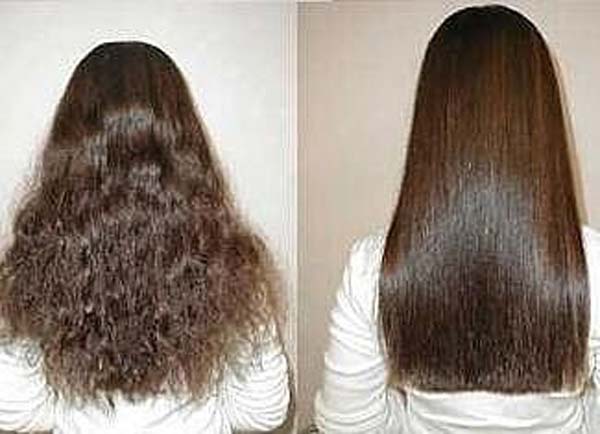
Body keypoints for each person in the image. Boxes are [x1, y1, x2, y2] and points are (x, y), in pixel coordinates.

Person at [315, 5, 600, 433]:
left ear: (431, 122)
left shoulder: (374, 266)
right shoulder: (593, 264)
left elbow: (347, 423)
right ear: (544, 121)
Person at [0, 41, 290, 433]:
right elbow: (263, 413)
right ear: (185, 137)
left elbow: (16, 412)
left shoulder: (30, 264)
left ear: (68, 140)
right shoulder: (232, 260)